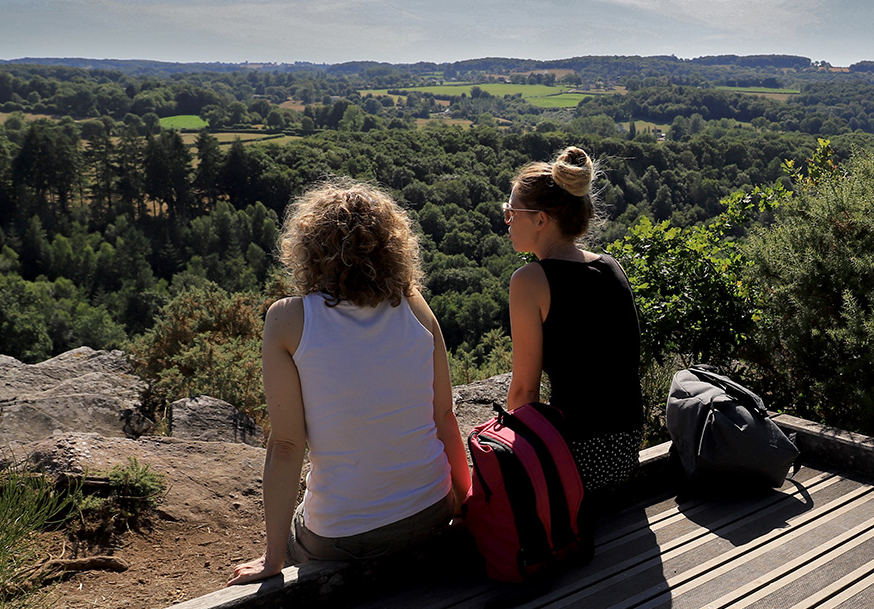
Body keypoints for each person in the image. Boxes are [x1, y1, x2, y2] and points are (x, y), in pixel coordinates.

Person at [228, 179, 471, 585]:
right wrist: (463, 504)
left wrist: (273, 559)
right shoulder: (413, 303)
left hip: (343, 537)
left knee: (298, 533)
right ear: (393, 248)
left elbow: (287, 446)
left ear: (308, 252)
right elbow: (444, 415)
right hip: (432, 510)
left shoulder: (287, 319)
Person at [503, 146, 644, 494]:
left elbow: (524, 392)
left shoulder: (529, 281)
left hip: (579, 459)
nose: (507, 221)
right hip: (626, 449)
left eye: (511, 212)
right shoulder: (611, 266)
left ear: (540, 219)